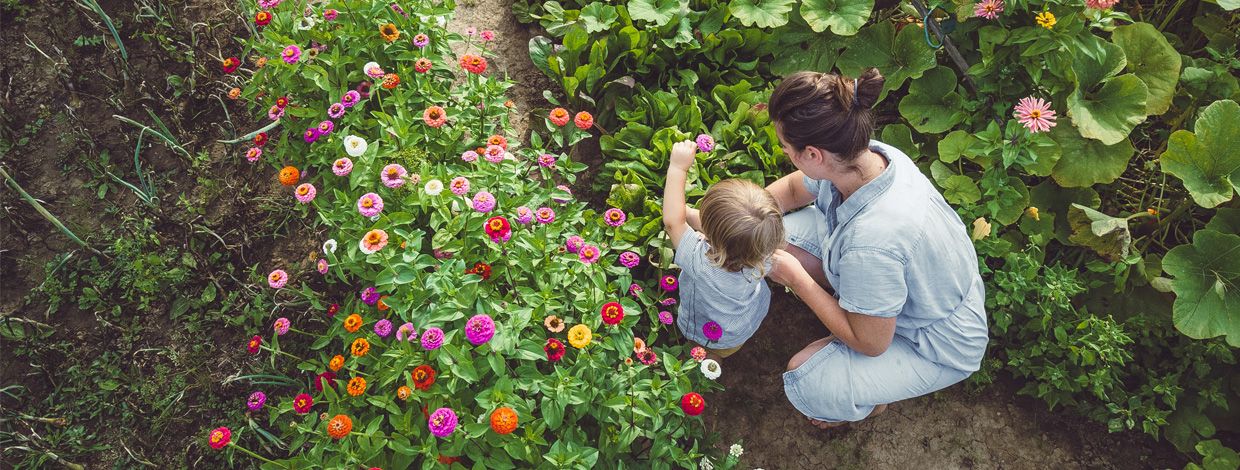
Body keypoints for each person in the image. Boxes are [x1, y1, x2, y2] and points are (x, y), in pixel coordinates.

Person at [764, 68, 989, 428]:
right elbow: (792, 191)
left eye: (787, 149)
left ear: (813, 154)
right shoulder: (868, 157)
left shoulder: (873, 242)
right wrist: (745, 212)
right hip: (914, 287)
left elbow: (870, 343)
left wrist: (796, 278)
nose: (785, 153)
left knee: (809, 382)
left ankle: (869, 401)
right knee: (771, 236)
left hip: (935, 342)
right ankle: (858, 314)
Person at [663, 140, 785, 358]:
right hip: (743, 324)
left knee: (704, 354)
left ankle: (701, 370)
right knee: (722, 351)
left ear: (711, 236)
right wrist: (691, 215)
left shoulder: (700, 262)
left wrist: (678, 167)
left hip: (710, 332)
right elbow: (730, 237)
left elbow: (673, 222)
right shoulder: (764, 250)